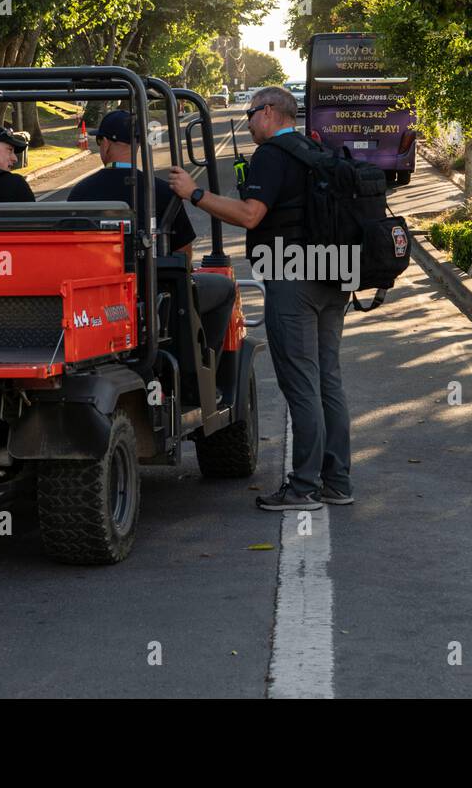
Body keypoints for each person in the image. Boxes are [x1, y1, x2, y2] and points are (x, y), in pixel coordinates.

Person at [167, 86, 351, 511]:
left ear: (269, 112)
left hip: (293, 277)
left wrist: (194, 194)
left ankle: (304, 488)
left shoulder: (273, 155)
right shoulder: (316, 149)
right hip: (335, 274)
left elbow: (251, 215)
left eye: (251, 114)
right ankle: (337, 482)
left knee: (301, 382)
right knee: (328, 381)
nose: (248, 122)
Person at [67, 110, 195, 256]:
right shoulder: (163, 192)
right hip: (149, 277)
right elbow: (183, 250)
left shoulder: (81, 192)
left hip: (97, 275)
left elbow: (70, 246)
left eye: (99, 141)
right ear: (138, 145)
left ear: (106, 144)